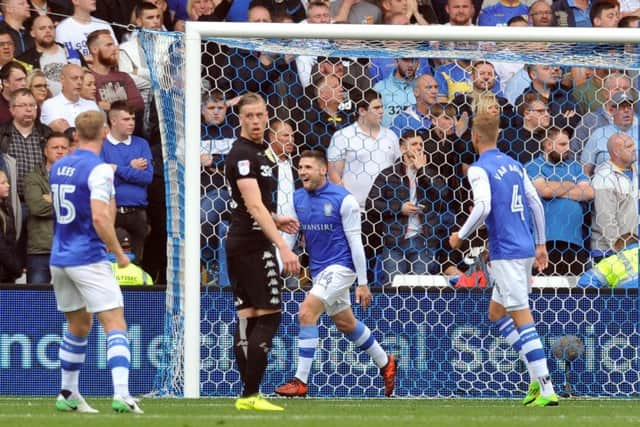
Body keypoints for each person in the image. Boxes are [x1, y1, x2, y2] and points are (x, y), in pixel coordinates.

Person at [448, 110, 558, 407]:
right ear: (497, 135)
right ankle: (535, 379)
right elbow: (535, 202)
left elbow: (482, 207)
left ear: (474, 137)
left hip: (506, 252)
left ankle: (546, 388)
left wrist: (460, 235)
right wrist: (541, 244)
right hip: (524, 247)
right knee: (496, 313)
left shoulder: (478, 168)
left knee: (522, 316)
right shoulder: (514, 165)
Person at [275, 149, 397, 397]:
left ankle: (300, 381)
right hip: (319, 270)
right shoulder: (297, 198)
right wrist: (279, 263)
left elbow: (356, 242)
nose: (302, 172)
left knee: (307, 311)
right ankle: (386, 362)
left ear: (323, 170)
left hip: (342, 267)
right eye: (300, 168)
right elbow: (289, 235)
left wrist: (363, 283)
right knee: (345, 323)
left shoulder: (344, 199)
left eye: (308, 167)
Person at [49, 110, 143, 414]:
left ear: (75, 134)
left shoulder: (58, 166)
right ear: (104, 132)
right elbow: (101, 216)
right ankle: (122, 394)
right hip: (87, 255)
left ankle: (68, 393)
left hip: (59, 255)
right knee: (115, 322)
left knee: (78, 324)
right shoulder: (100, 169)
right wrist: (117, 252)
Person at [224, 92, 300, 412]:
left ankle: (248, 395)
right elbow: (253, 204)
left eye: (260, 115)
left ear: (266, 116)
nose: (255, 121)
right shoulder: (243, 154)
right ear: (239, 118)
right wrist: (283, 246)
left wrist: (276, 218)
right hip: (252, 245)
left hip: (247, 240)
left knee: (252, 317)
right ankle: (250, 394)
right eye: (249, 116)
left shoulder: (262, 152)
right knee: (270, 316)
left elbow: (255, 205)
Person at [24, 132, 70, 284]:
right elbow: (37, 207)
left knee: (73, 303)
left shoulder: (78, 176)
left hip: (70, 249)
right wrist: (67, 203)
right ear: (45, 151)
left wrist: (52, 199)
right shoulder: (33, 178)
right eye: (55, 147)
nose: (60, 151)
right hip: (41, 249)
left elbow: (85, 207)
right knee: (36, 302)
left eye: (64, 147)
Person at [590, 133, 638, 261]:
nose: (634, 148)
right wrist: (622, 250)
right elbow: (605, 218)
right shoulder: (604, 177)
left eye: (633, 144)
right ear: (616, 152)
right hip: (610, 253)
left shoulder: (635, 171)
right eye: (629, 146)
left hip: (634, 250)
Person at [0, 169, 22, 283]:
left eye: (7, 182)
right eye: (3, 183)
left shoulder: (8, 207)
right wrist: (16, 268)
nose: (8, 185)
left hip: (7, 273)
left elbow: (11, 242)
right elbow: (2, 247)